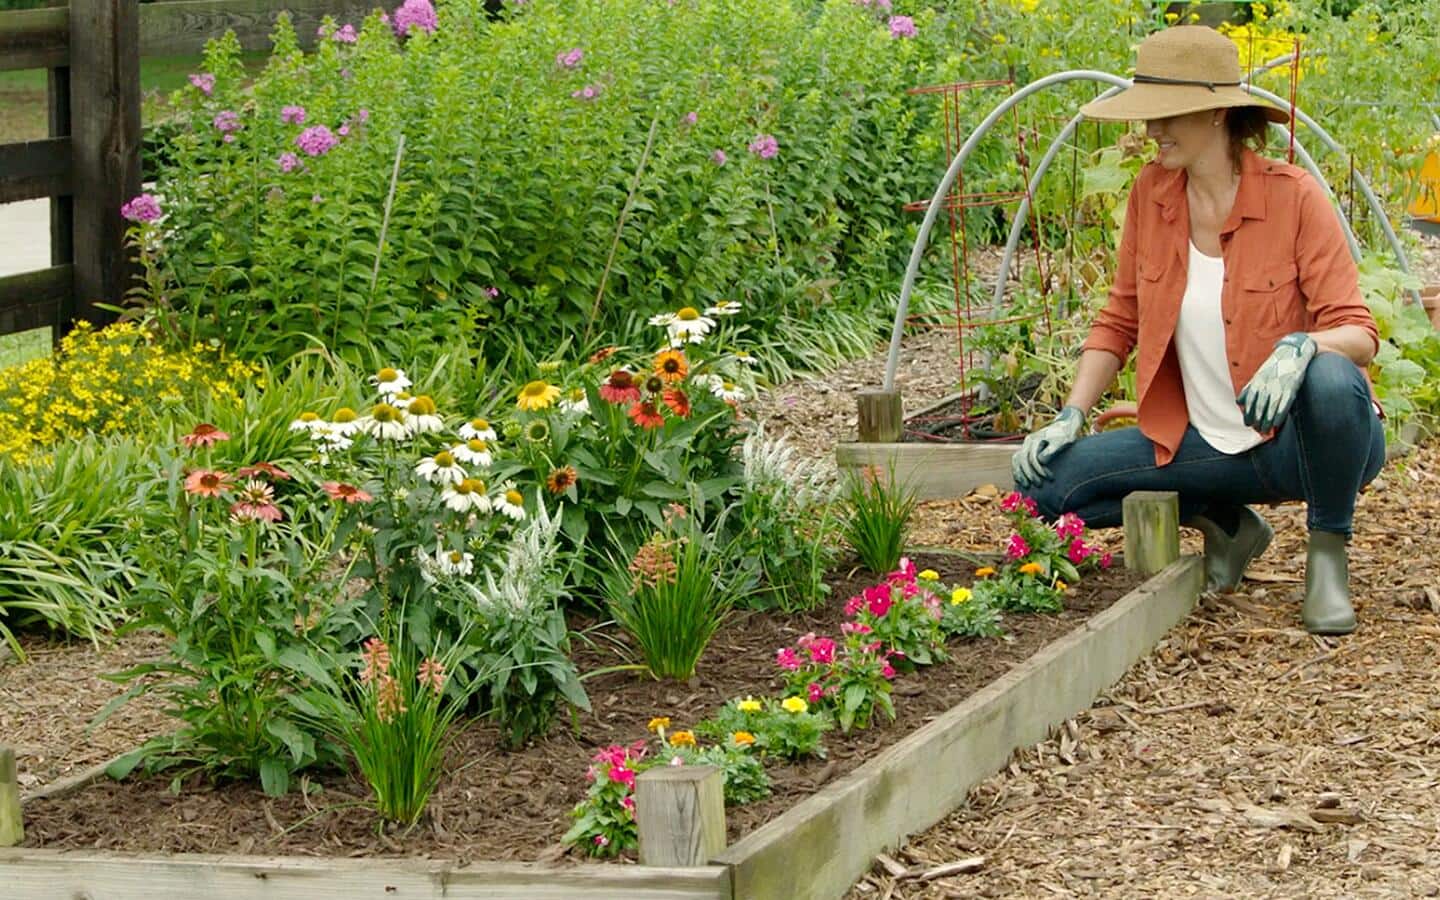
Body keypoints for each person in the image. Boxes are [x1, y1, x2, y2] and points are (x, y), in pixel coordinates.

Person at [1010, 26, 1384, 636]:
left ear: (1215, 114)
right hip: (1202, 444)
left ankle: (1327, 558)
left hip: (1301, 446)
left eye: (1167, 116)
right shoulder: (1151, 196)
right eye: (1148, 114)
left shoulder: (1294, 199)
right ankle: (1227, 523)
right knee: (1043, 486)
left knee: (1333, 375)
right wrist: (1070, 415)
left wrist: (1304, 345)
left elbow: (1359, 333)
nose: (1152, 130)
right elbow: (1119, 317)